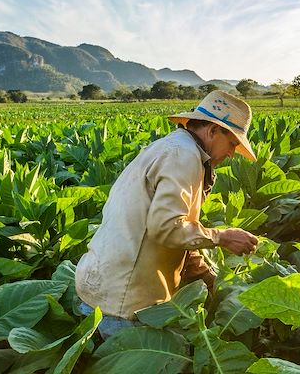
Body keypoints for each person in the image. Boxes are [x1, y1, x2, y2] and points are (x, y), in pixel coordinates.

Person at [75, 90, 260, 336]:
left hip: (100, 288)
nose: (231, 153)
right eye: (233, 143)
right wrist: (222, 237)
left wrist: (207, 278)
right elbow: (167, 228)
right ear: (214, 131)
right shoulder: (184, 156)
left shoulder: (171, 147)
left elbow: (180, 232)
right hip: (125, 305)